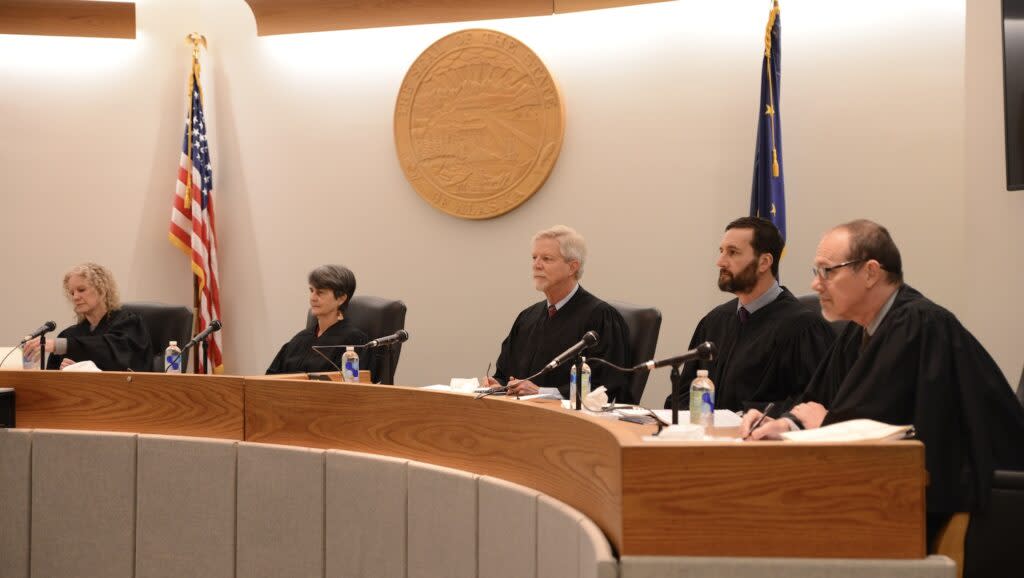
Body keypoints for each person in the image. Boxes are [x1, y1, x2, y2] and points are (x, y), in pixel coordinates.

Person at [741, 219, 1024, 547]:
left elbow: (892, 424)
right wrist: (783, 423)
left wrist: (826, 424)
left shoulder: (920, 325)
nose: (816, 284)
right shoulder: (857, 330)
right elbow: (815, 400)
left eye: (827, 271)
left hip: (968, 503)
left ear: (871, 272)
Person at [664, 217, 834, 412]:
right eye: (721, 251)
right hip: (705, 438)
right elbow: (685, 392)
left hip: (762, 439)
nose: (720, 262)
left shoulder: (803, 328)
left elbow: (815, 404)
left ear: (764, 262)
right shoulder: (715, 321)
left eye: (732, 252)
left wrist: (746, 416)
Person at [489, 225, 630, 401]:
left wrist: (542, 393)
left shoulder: (600, 317)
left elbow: (605, 387)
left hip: (572, 422)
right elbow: (504, 373)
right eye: (534, 258)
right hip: (519, 417)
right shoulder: (527, 317)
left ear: (572, 267)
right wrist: (497, 385)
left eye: (546, 259)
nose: (536, 265)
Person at [22, 263, 153, 372]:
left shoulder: (129, 323)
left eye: (81, 290)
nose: (75, 297)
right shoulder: (69, 335)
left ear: (102, 290)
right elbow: (53, 381)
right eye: (72, 292)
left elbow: (113, 353)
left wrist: (80, 366)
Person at [266, 264, 375, 377]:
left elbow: (350, 388)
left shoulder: (354, 343)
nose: (312, 298)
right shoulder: (299, 339)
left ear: (341, 298)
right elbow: (269, 378)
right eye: (311, 290)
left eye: (320, 292)